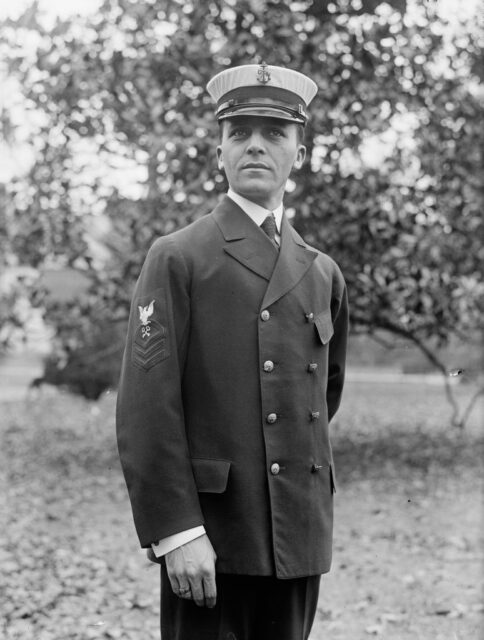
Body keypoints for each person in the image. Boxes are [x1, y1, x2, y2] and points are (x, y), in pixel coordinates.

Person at [116, 62, 349, 640]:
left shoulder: (323, 273)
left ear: (299, 153)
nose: (255, 147)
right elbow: (147, 408)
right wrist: (178, 532)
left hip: (297, 535)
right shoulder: (179, 257)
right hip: (212, 541)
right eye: (239, 133)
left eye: (275, 134)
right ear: (218, 151)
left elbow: (324, 395)